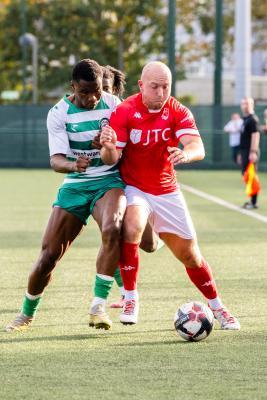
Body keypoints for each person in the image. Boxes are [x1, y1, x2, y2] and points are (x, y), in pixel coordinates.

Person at [100, 61, 240, 330]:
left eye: (166, 86)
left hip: (167, 190)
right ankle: (130, 298)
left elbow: (196, 145)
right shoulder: (125, 111)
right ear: (141, 86)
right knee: (131, 226)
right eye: (155, 86)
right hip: (134, 186)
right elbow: (111, 157)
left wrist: (186, 154)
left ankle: (218, 307)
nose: (161, 92)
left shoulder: (177, 110)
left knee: (190, 256)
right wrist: (107, 147)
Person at [6, 59, 126, 332]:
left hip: (108, 181)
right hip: (75, 184)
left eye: (96, 90)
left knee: (112, 227)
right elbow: (57, 160)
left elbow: (123, 151)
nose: (92, 97)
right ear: (73, 86)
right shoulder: (58, 112)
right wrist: (74, 164)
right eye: (85, 92)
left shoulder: (115, 106)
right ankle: (26, 314)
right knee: (49, 255)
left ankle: (98, 307)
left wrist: (108, 146)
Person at [101, 64, 163, 308]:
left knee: (148, 245)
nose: (101, 93)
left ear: (115, 90)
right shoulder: (92, 111)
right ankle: (126, 293)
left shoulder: (126, 111)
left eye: (106, 88)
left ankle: (160, 232)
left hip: (133, 183)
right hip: (109, 185)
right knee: (112, 235)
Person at [239, 97, 261, 209]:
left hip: (250, 151)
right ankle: (252, 200)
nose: (245, 105)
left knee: (251, 175)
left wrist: (253, 151)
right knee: (247, 175)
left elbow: (255, 135)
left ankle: (254, 202)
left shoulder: (253, 119)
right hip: (244, 151)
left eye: (247, 103)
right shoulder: (245, 119)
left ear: (252, 105)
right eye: (243, 103)